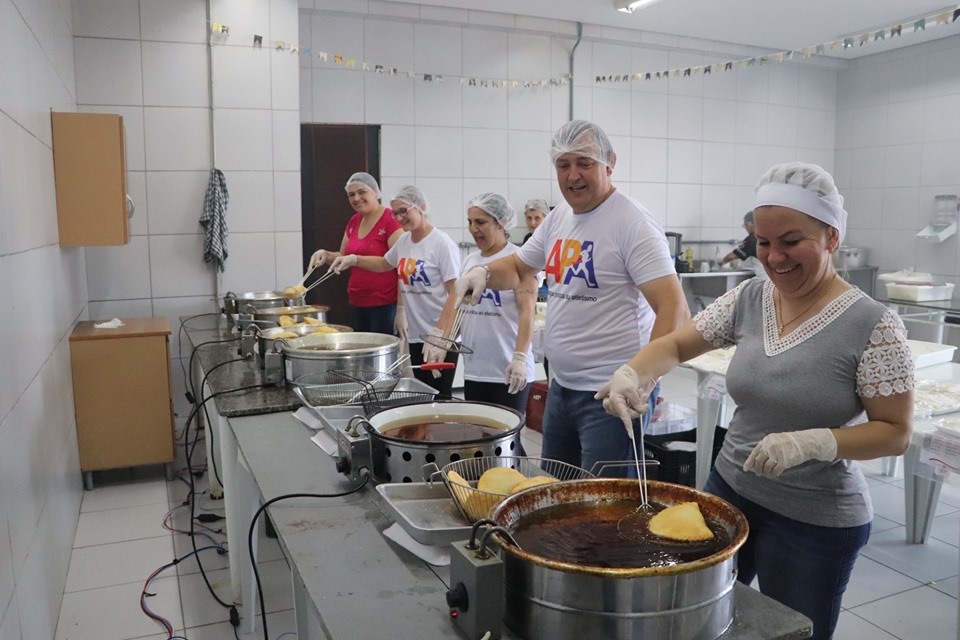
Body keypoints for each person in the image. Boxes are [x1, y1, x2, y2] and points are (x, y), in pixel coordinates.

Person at [596, 162, 914, 640]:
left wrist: (815, 443)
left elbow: (895, 433)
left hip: (814, 519)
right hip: (730, 490)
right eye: (763, 243)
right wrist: (632, 373)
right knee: (700, 620)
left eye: (791, 241)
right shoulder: (750, 298)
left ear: (832, 236)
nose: (775, 257)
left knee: (789, 631)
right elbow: (677, 345)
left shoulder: (873, 325)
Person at [456, 120, 689, 477]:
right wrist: (483, 274)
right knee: (558, 488)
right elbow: (519, 267)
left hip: (610, 396)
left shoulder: (632, 223)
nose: (573, 175)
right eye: (563, 165)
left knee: (603, 499)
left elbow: (674, 308)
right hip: (562, 388)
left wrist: (640, 378)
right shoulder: (559, 218)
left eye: (584, 163)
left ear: (609, 163)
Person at [331, 185, 461, 397]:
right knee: (424, 394)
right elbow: (384, 263)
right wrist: (354, 259)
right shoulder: (404, 241)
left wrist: (440, 336)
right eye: (395, 213)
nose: (400, 218)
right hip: (418, 334)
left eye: (404, 211)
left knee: (440, 396)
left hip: (441, 334)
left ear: (421, 207)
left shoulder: (441, 244)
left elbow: (456, 293)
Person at [457, 193, 537, 413]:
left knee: (507, 432)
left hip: (509, 369)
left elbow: (527, 312)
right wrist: (442, 342)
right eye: (470, 222)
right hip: (475, 368)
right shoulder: (470, 261)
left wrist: (520, 358)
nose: (473, 229)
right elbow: (459, 307)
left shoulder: (520, 259)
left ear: (502, 222)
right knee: (478, 431)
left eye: (480, 222)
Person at [307, 172, 403, 334]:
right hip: (357, 302)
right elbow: (343, 256)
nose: (356, 198)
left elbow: (401, 266)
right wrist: (326, 255)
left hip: (385, 305)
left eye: (362, 192)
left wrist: (401, 309)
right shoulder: (355, 220)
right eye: (351, 195)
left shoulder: (390, 220)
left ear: (376, 192)